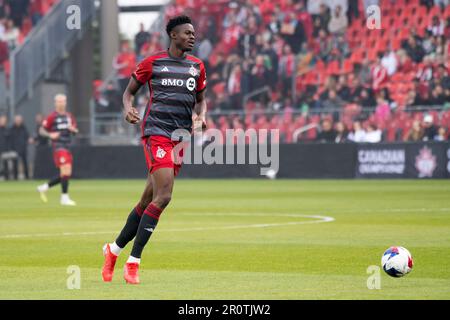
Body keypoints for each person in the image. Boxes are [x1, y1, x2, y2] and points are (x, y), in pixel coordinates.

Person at [101, 15, 208, 285]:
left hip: (180, 138)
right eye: (187, 33)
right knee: (164, 195)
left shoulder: (197, 67)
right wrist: (128, 110)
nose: (192, 37)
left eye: (193, 33)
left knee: (147, 201)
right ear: (173, 35)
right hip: (156, 133)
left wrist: (200, 117)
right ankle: (134, 262)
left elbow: (201, 101)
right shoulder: (153, 62)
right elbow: (128, 93)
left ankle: (113, 251)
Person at [36, 94, 79, 206]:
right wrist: (50, 135)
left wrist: (73, 129)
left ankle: (44, 187)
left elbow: (75, 131)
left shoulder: (69, 116)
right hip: (59, 147)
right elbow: (42, 130)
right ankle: (64, 197)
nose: (61, 103)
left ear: (66, 102)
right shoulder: (52, 117)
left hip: (67, 146)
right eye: (59, 101)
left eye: (63, 101)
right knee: (65, 171)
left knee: (66, 173)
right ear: (55, 103)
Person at [9, 115, 30, 180]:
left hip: (23, 148)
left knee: (25, 163)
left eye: (19, 120)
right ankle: (15, 177)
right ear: (15, 121)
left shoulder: (24, 128)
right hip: (15, 149)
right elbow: (10, 139)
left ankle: (27, 177)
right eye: (17, 120)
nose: (18, 121)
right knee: (15, 163)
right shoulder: (12, 128)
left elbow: (27, 137)